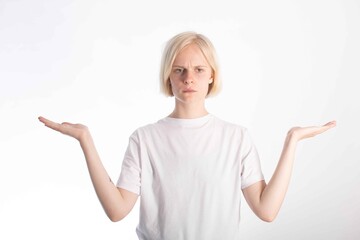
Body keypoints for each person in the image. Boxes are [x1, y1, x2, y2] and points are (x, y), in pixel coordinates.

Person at [38, 31, 336, 239]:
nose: (188, 78)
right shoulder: (145, 139)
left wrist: (292, 141)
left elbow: (266, 210)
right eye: (179, 70)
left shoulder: (236, 138)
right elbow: (117, 210)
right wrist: (85, 140)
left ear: (212, 76)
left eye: (198, 69)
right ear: (169, 76)